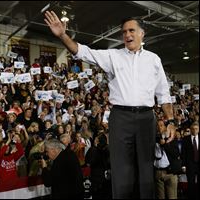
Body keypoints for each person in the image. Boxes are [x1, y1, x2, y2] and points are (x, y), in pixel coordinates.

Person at [44, 11, 176, 198]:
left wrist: (171, 121)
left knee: (146, 170)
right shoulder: (113, 56)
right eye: (124, 32)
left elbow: (163, 93)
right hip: (120, 118)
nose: (127, 35)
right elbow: (82, 52)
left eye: (131, 30)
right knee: (121, 172)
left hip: (147, 117)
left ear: (142, 33)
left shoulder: (154, 60)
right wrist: (63, 35)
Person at [181, 122, 199, 200]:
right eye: (193, 129)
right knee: (191, 184)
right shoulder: (185, 139)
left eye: (196, 129)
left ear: (198, 130)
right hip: (190, 164)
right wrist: (183, 165)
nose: (194, 130)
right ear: (190, 130)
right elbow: (183, 153)